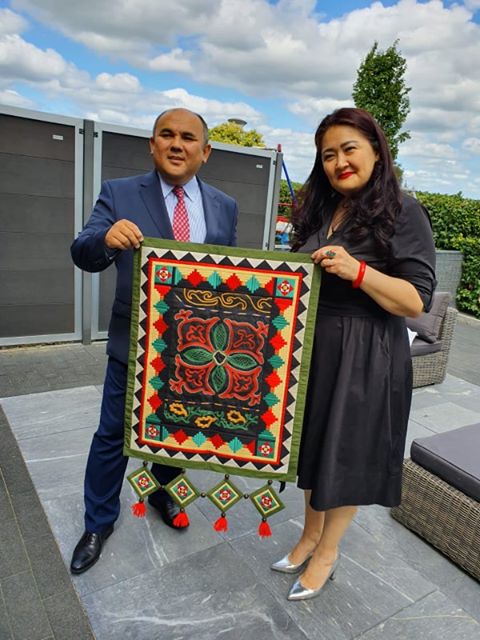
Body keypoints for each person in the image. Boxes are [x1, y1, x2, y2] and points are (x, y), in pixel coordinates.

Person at [271, 107, 436, 601]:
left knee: (345, 454)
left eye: (349, 149)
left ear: (376, 152)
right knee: (313, 446)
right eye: (328, 155)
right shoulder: (323, 210)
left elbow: (416, 300)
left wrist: (358, 271)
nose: (339, 162)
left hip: (367, 353)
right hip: (316, 348)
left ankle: (327, 552)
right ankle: (308, 536)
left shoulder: (404, 210)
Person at [70, 108, 238, 574]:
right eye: (167, 134)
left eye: (188, 137)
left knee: (176, 430)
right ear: (152, 144)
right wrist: (107, 238)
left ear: (205, 151)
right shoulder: (119, 193)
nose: (176, 144)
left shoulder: (225, 205)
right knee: (111, 436)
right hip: (134, 346)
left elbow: (230, 279)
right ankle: (98, 523)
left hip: (195, 354)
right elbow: (82, 251)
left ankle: (164, 493)